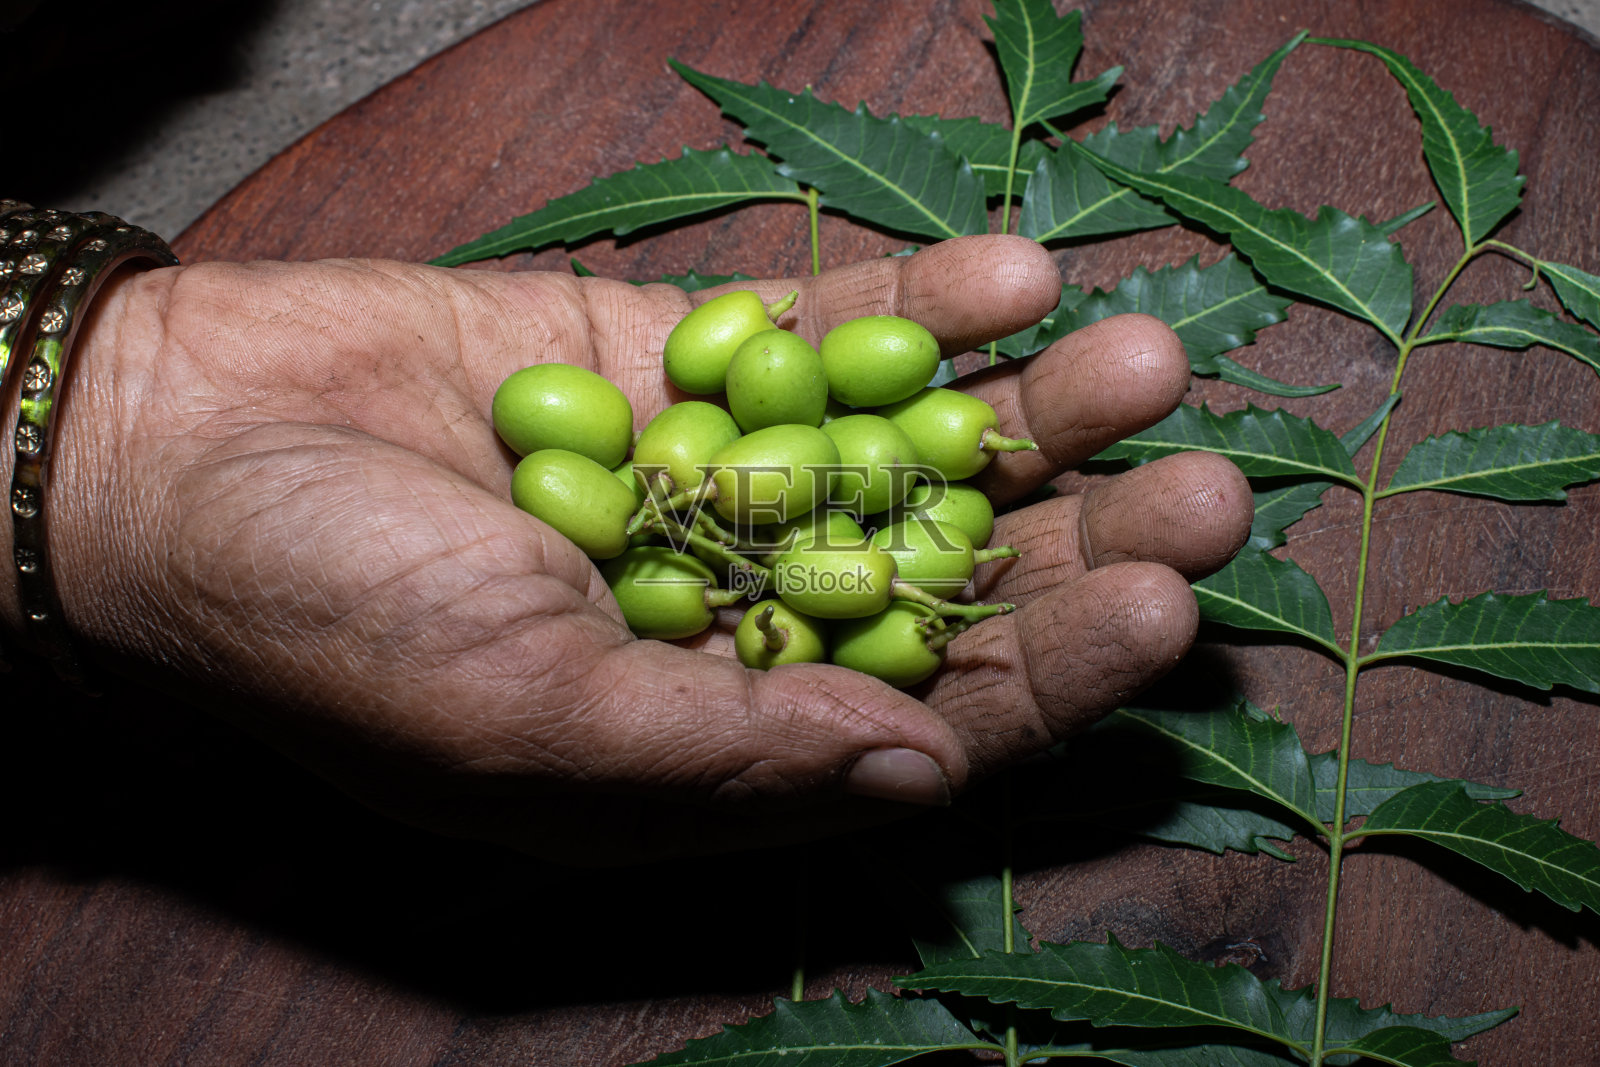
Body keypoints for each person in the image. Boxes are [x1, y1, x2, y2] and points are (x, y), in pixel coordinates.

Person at [0, 225, 1252, 864]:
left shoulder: (812, 533)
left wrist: (128, 406)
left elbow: (809, 541)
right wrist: (124, 427)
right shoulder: (756, 528)